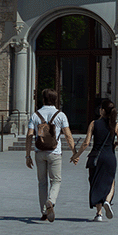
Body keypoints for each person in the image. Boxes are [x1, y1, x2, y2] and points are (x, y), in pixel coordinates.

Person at [25, 89, 76, 221]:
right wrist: (74, 152)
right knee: (56, 180)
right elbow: (68, 135)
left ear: (43, 99)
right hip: (55, 152)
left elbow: (30, 135)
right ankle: (51, 201)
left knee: (42, 183)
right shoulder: (61, 115)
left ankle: (44, 212)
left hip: (39, 152)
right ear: (55, 100)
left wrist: (27, 155)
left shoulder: (35, 115)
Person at [72, 99, 118, 221]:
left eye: (100, 108)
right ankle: (107, 201)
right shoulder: (116, 125)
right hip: (110, 156)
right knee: (111, 182)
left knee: (95, 183)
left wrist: (76, 155)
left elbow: (86, 143)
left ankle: (99, 214)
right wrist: (114, 144)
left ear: (103, 111)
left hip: (95, 157)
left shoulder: (94, 123)